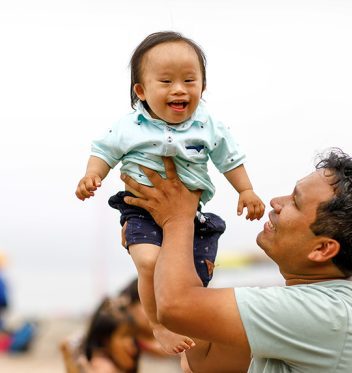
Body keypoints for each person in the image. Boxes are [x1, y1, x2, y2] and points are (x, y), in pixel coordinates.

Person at [120, 149, 352, 372]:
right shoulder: (325, 306)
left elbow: (176, 307)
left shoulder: (326, 313)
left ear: (323, 249)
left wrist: (176, 220)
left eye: (295, 202)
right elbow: (202, 359)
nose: (276, 202)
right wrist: (156, 249)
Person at [75, 31, 265, 354]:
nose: (179, 89)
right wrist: (92, 175)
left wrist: (245, 190)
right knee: (149, 262)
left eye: (189, 80)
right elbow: (104, 150)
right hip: (141, 208)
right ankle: (157, 324)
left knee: (194, 277)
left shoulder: (208, 125)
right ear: (142, 91)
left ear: (202, 87)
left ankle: (190, 329)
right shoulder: (129, 126)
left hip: (191, 215)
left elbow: (230, 158)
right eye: (166, 81)